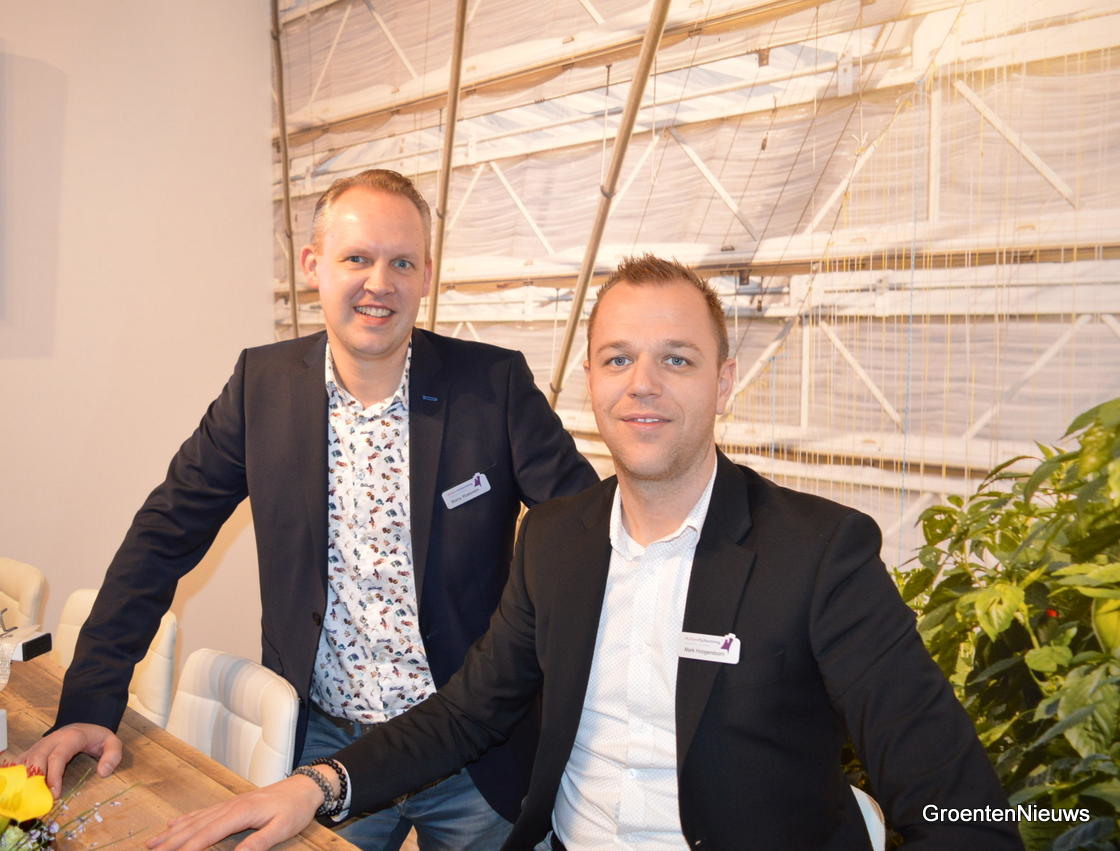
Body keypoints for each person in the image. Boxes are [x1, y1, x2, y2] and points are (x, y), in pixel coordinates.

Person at [148, 255, 1021, 851]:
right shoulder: (558, 539)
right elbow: (466, 713)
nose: (643, 384)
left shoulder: (818, 552)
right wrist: (318, 784)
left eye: (676, 360)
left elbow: (957, 796)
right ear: (592, 383)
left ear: (723, 382)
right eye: (618, 358)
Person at [21, 168, 598, 850]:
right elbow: (162, 536)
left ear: (426, 275)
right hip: (325, 747)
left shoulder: (492, 385)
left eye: (401, 262)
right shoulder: (260, 387)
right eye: (356, 258)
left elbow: (586, 536)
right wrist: (90, 702)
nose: (379, 283)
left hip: (476, 753)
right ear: (313, 265)